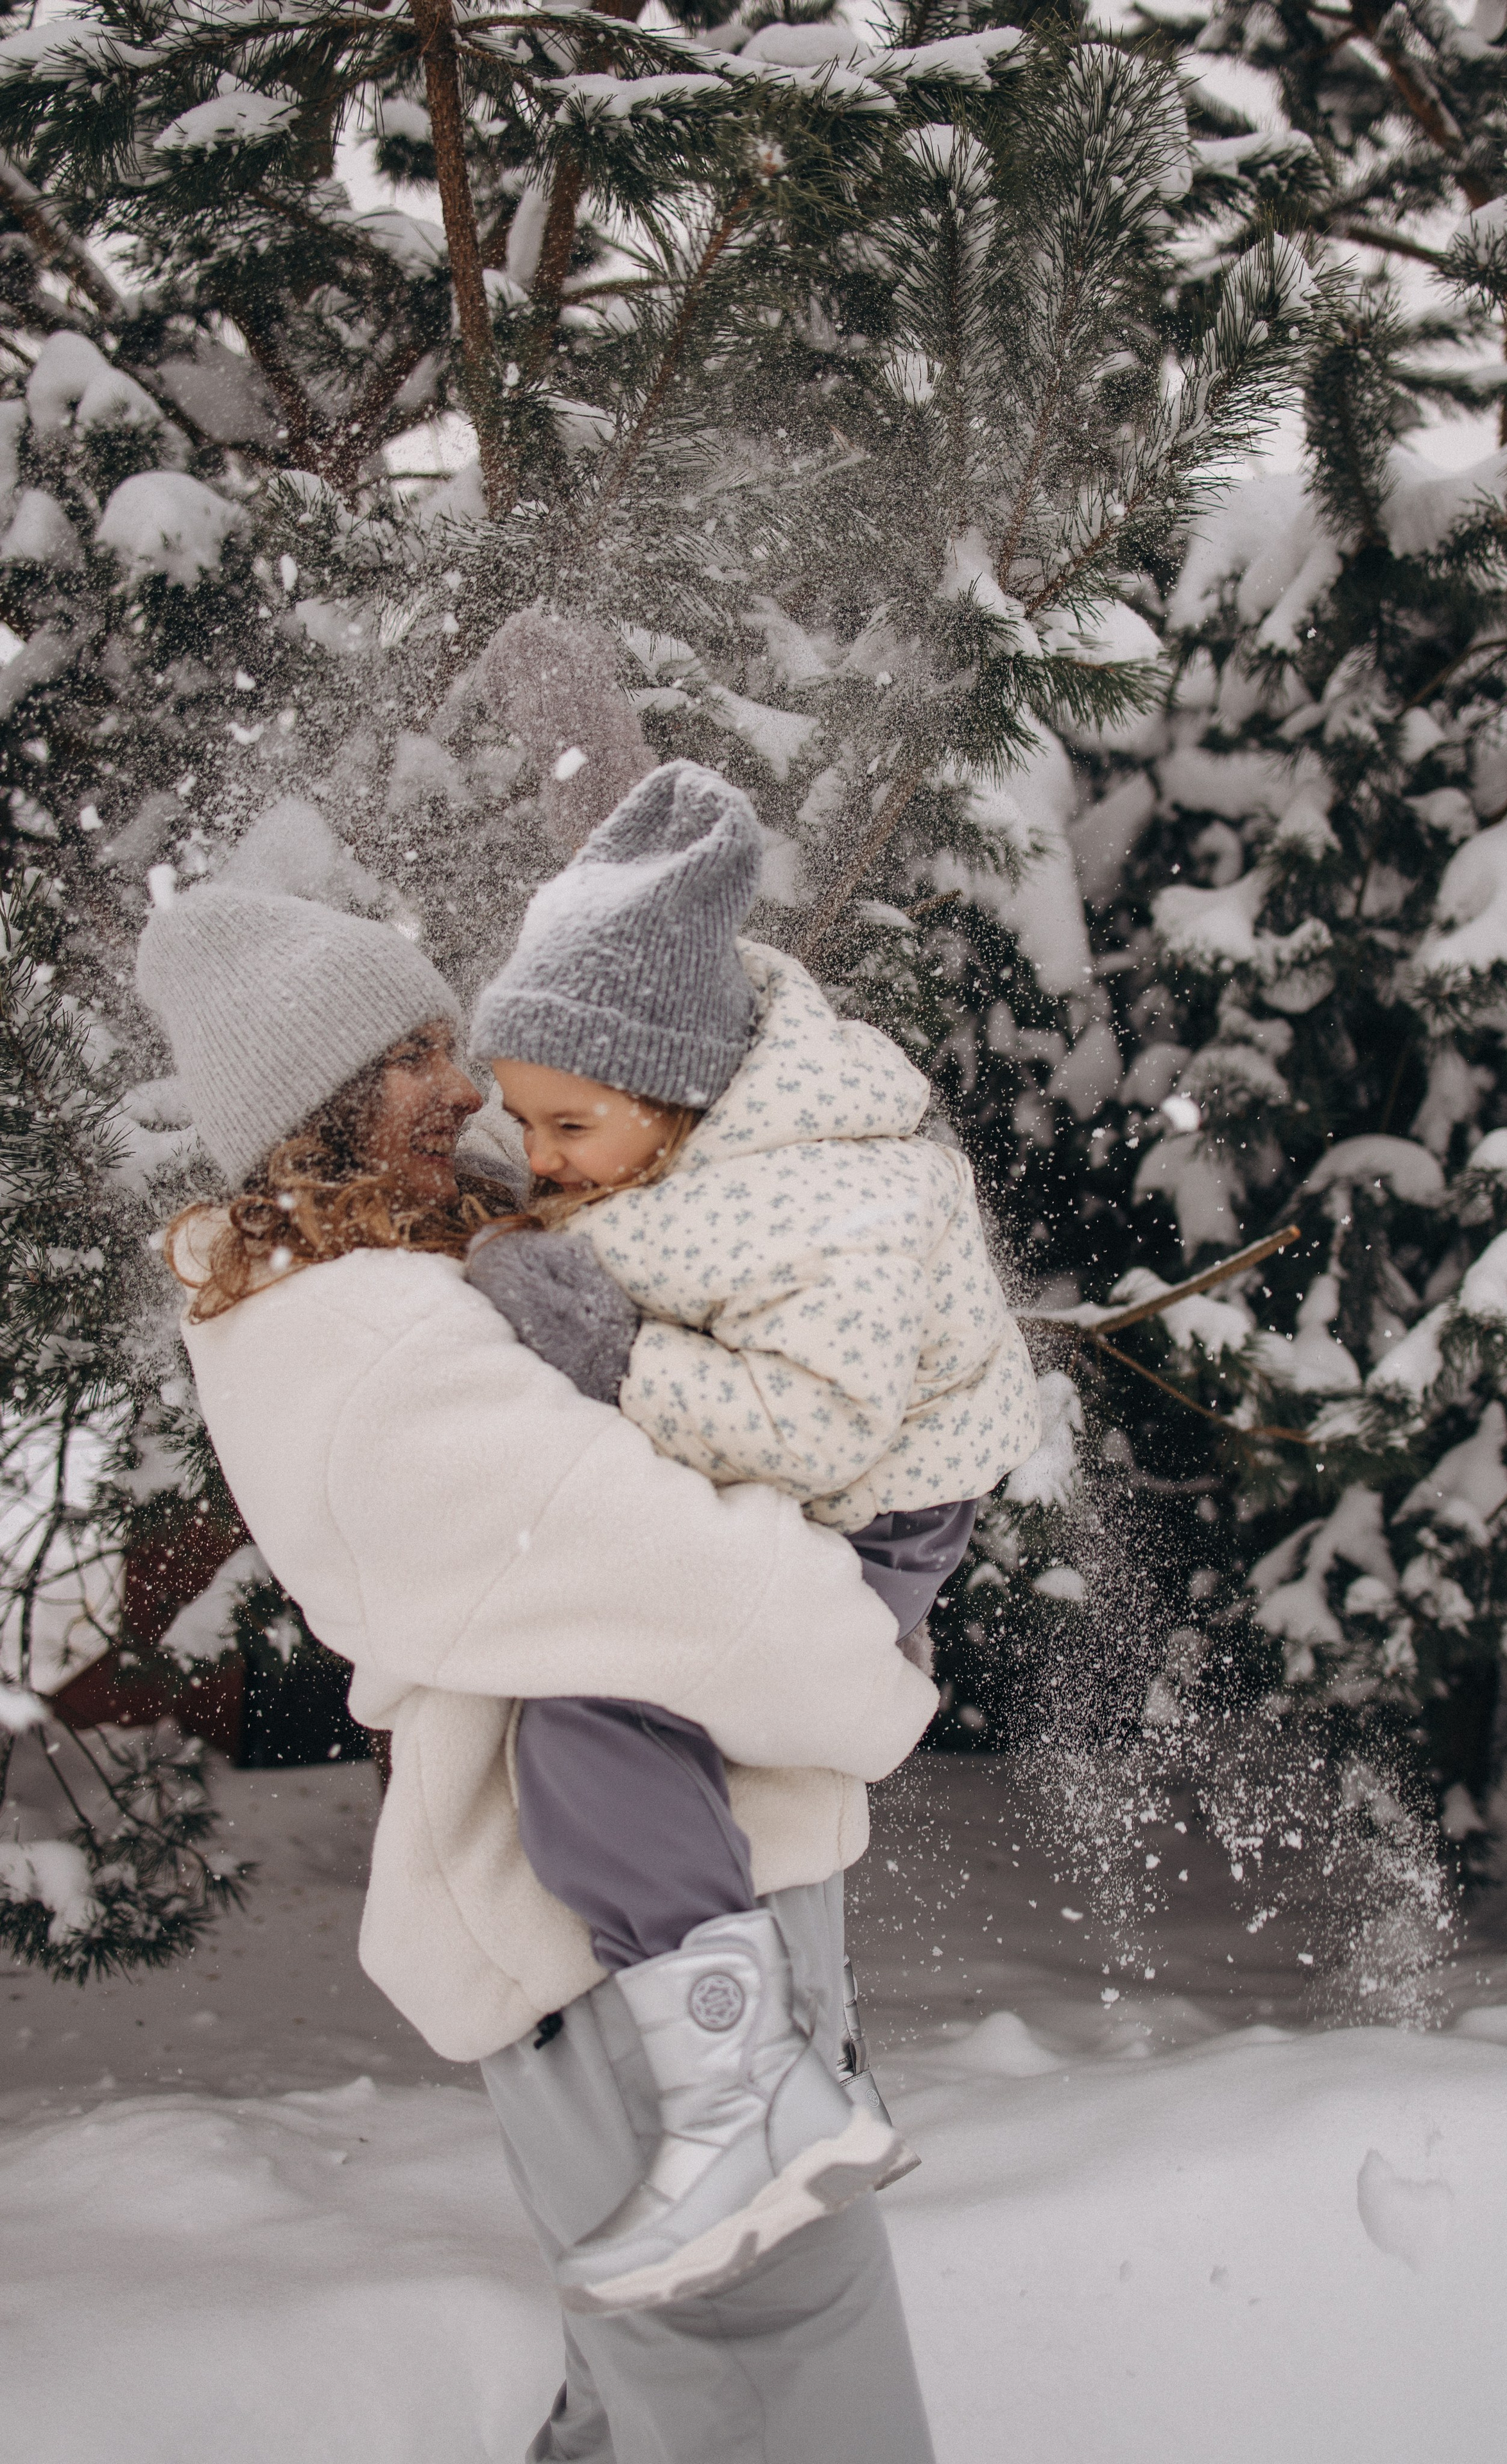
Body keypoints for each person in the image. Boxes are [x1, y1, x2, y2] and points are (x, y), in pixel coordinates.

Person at [137, 879, 942, 2464]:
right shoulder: (371, 1349)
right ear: (318, 1111)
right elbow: (689, 1593)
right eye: (415, 1054)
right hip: (610, 1929)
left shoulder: (423, 1276)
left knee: (678, 2376)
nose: (465, 1085)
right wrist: (875, 1664)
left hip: (655, 1903)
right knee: (774, 2367)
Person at [461, 760, 1041, 2314]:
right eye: (519, 1123)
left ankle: (752, 2093)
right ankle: (754, 2093)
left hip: (874, 1523)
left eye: (566, 1125)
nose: (541, 1162)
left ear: (678, 1087)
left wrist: (608, 1360)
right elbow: (618, 1229)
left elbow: (818, 1432)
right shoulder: (687, 1146)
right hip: (807, 1497)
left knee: (594, 1716)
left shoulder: (835, 1201)